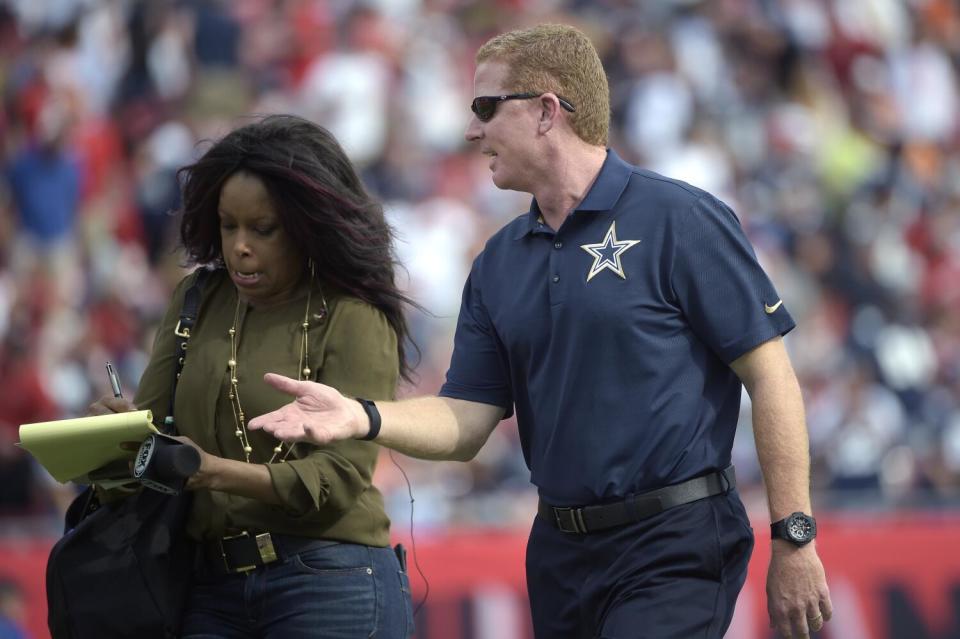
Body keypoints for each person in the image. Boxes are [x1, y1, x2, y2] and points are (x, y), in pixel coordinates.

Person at [249, 24, 832, 639]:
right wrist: (360, 416)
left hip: (675, 541)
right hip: (559, 552)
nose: (472, 130)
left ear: (547, 111)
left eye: (485, 108)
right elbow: (468, 419)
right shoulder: (498, 261)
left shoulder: (679, 218)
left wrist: (794, 537)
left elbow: (771, 379)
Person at [90, 114, 415, 638]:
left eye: (263, 229)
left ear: (308, 228)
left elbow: (335, 483)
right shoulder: (195, 300)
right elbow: (153, 444)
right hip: (206, 586)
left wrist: (213, 471)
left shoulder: (353, 315)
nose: (239, 246)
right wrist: (115, 440)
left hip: (330, 580)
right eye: (227, 225)